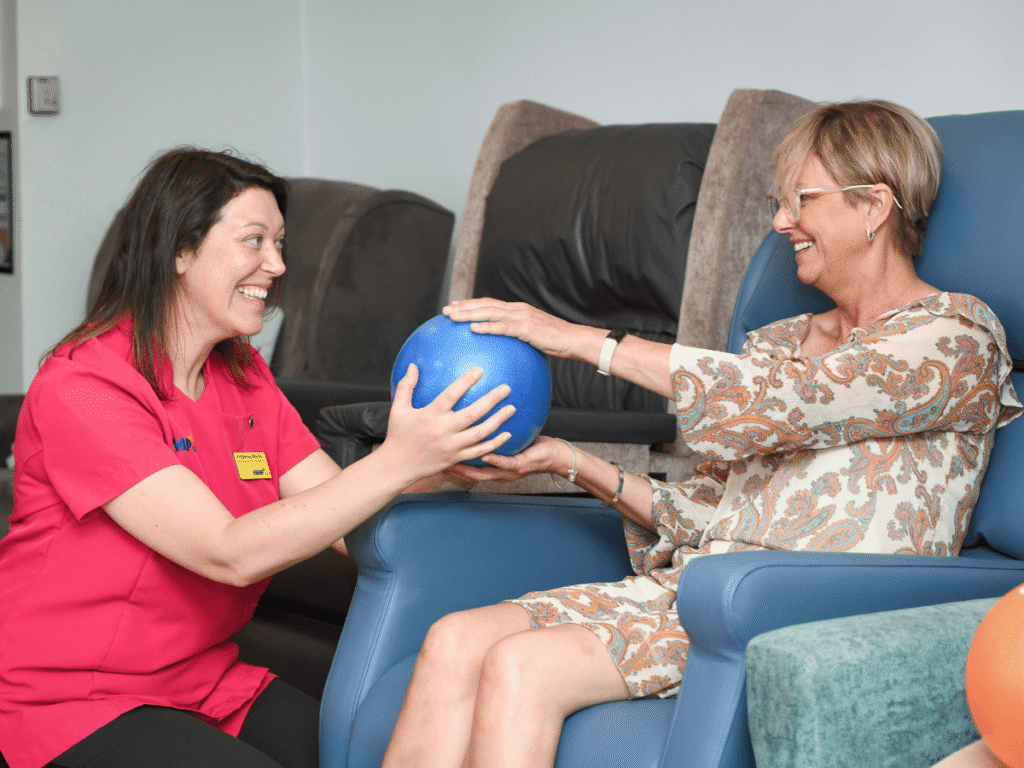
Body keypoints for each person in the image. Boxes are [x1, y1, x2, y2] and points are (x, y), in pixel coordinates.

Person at [379, 100, 1023, 768]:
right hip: (695, 591)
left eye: (800, 199)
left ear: (874, 205)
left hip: (799, 607)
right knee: (455, 639)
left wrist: (577, 340)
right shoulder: (777, 342)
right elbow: (706, 512)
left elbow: (788, 402)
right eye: (779, 201)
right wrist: (567, 461)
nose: (780, 222)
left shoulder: (956, 339)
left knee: (524, 666)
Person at [0, 148, 515, 768]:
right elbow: (228, 552)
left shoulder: (242, 378)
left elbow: (348, 518)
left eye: (279, 242)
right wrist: (397, 462)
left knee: (360, 753)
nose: (275, 265)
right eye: (254, 240)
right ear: (179, 252)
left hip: (205, 682)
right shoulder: (86, 388)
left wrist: (445, 464)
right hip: (70, 697)